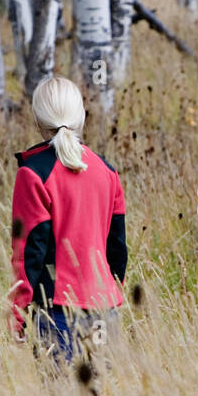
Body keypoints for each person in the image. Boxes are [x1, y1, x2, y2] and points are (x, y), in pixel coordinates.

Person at [9, 76, 127, 364]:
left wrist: (18, 316)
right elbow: (118, 250)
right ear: (81, 117)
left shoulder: (32, 174)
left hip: (57, 312)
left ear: (38, 120)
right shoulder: (107, 172)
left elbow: (28, 254)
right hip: (105, 310)